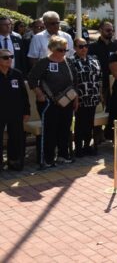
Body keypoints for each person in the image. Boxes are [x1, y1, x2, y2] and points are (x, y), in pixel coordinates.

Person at [27, 35, 78, 168]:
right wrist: (39, 94)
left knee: (64, 129)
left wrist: (76, 99)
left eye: (65, 50)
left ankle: (63, 155)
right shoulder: (44, 62)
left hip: (67, 102)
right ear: (52, 49)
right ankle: (48, 159)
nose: (63, 53)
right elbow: (32, 79)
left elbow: (75, 82)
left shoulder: (68, 62)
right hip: (49, 103)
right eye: (60, 50)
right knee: (50, 130)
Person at [89, 21, 117, 142]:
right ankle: (98, 136)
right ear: (101, 30)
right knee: (99, 110)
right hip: (100, 84)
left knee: (113, 109)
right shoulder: (93, 47)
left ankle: (111, 134)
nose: (110, 32)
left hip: (115, 82)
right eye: (108, 30)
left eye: (112, 30)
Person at [71, 37, 102, 157]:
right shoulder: (71, 61)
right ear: (75, 48)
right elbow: (71, 81)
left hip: (93, 97)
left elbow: (100, 77)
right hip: (80, 98)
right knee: (80, 123)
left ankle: (87, 145)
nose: (84, 49)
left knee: (89, 123)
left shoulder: (94, 59)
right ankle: (78, 148)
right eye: (80, 46)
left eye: (86, 46)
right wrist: (75, 98)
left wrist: (100, 94)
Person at [0, 47, 30, 171]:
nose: (9, 60)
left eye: (11, 57)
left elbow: (24, 94)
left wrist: (26, 111)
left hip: (15, 112)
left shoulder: (17, 74)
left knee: (16, 137)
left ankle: (14, 161)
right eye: (5, 57)